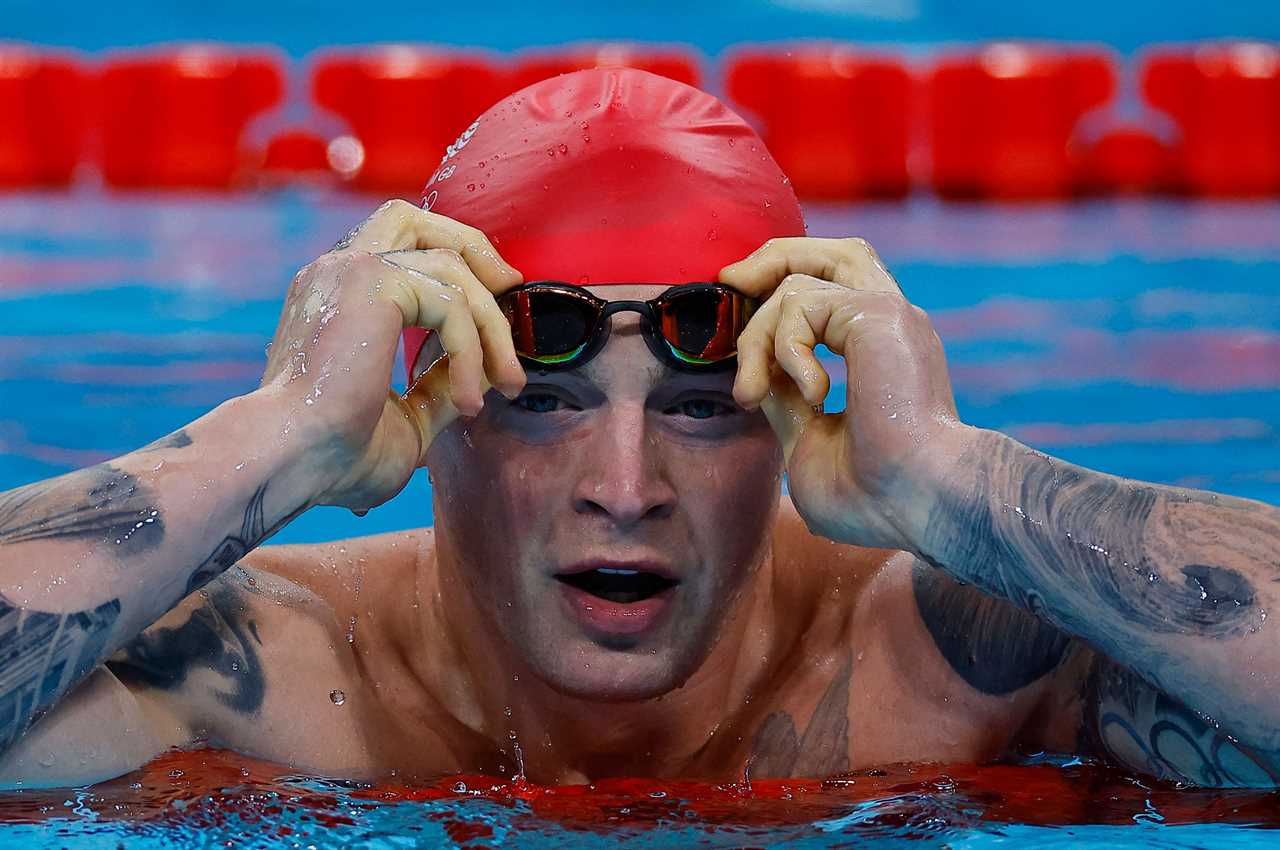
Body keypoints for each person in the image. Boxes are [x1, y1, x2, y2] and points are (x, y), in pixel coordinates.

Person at [0, 68, 1277, 791]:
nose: (625, 485)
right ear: (427, 416)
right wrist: (274, 436)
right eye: (542, 401)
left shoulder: (956, 667)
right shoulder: (265, 681)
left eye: (702, 410)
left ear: (792, 424)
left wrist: (944, 472)